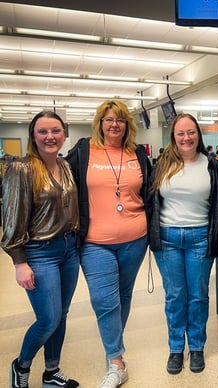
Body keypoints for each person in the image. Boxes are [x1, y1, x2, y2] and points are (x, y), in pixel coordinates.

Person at [66, 100, 152, 388]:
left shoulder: (137, 154)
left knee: (123, 296)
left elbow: (149, 192)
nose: (114, 124)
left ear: (128, 125)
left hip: (135, 239)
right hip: (94, 242)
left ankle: (113, 350)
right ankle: (117, 361)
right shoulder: (83, 150)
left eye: (120, 120)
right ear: (100, 123)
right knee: (104, 301)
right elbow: (60, 181)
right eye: (108, 119)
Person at [1, 111, 80, 388]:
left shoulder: (66, 166)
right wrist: (19, 261)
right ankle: (21, 365)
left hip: (69, 250)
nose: (50, 136)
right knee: (48, 318)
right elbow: (11, 218)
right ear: (33, 136)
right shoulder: (21, 168)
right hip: (40, 252)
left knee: (63, 314)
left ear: (64, 134)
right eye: (43, 131)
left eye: (56, 130)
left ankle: (51, 372)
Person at [149, 113, 218, 375]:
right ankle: (174, 349)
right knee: (175, 297)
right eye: (180, 133)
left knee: (197, 296)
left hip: (201, 238)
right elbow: (150, 201)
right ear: (173, 137)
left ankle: (196, 347)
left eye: (191, 132)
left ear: (198, 135)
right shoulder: (161, 165)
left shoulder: (212, 166)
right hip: (168, 239)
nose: (186, 138)